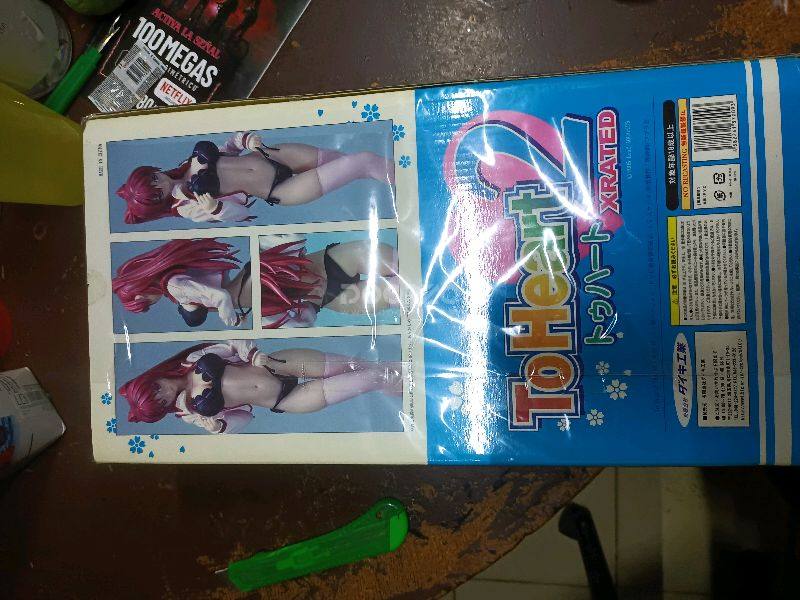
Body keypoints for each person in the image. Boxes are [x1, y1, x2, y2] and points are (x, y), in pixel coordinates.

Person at [120, 340, 402, 433]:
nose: (164, 394)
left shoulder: (193, 360)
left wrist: (253, 354)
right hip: (286, 400)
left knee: (356, 365)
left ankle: (402, 375)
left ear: (153, 378)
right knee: (367, 379)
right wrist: (218, 426)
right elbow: (244, 418)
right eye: (160, 402)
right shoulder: (190, 413)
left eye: (155, 389)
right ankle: (398, 380)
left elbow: (232, 346)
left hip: (277, 365)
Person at [116, 131, 394, 224]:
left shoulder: (186, 164)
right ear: (159, 202)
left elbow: (228, 148)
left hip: (272, 155)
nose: (160, 184)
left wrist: (245, 140)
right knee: (362, 162)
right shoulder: (188, 207)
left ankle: (400, 174)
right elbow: (240, 214)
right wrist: (216, 208)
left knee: (352, 161)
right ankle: (408, 177)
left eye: (153, 178)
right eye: (156, 193)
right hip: (281, 189)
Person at [259, 236, 400, 328]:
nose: (316, 287)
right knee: (399, 292)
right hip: (333, 297)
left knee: (401, 264)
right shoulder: (268, 314)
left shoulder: (268, 256)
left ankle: (300, 281)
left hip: (330, 263)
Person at [112, 238, 251, 328]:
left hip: (232, 293)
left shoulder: (175, 287)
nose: (152, 303)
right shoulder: (172, 279)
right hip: (228, 284)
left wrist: (233, 320)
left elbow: (222, 296)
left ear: (141, 296)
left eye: (148, 304)